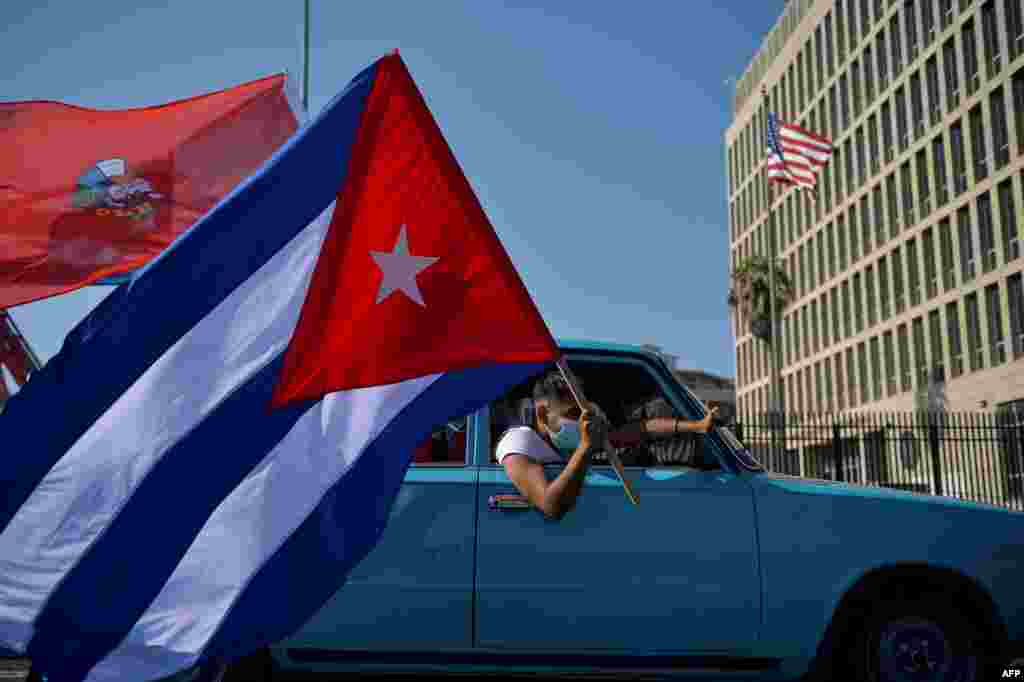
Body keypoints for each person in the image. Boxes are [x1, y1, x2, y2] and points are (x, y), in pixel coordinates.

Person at [495, 370, 719, 521]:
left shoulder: (569, 438)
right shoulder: (518, 443)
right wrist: (584, 448)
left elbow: (641, 429)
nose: (581, 420)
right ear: (542, 414)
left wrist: (696, 426)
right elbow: (551, 506)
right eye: (572, 413)